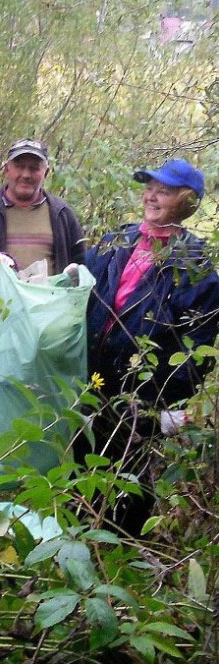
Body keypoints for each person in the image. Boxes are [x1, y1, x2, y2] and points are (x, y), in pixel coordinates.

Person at [83, 159, 219, 535]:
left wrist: (156, 408)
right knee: (83, 472)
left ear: (187, 201)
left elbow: (196, 351)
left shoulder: (197, 265)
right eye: (149, 186)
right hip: (91, 385)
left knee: (128, 484)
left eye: (165, 190)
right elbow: (78, 295)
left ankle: (119, 563)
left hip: (141, 396)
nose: (152, 195)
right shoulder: (116, 240)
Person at [0, 138, 85, 275]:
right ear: (6, 170)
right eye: (19, 166)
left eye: (34, 168)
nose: (26, 175)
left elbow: (80, 266)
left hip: (49, 296)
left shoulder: (62, 214)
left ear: (46, 173)